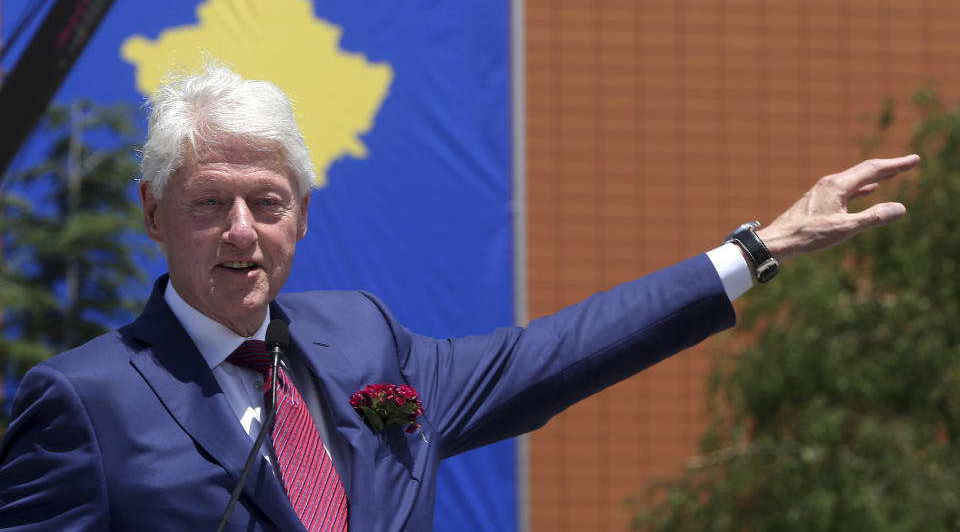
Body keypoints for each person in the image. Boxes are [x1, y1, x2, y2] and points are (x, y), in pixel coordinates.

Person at [0, 64, 920, 531]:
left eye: (266, 203)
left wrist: (756, 250)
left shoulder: (362, 338)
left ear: (304, 217)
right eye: (209, 204)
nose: (242, 231)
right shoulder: (86, 402)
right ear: (154, 214)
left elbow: (549, 359)